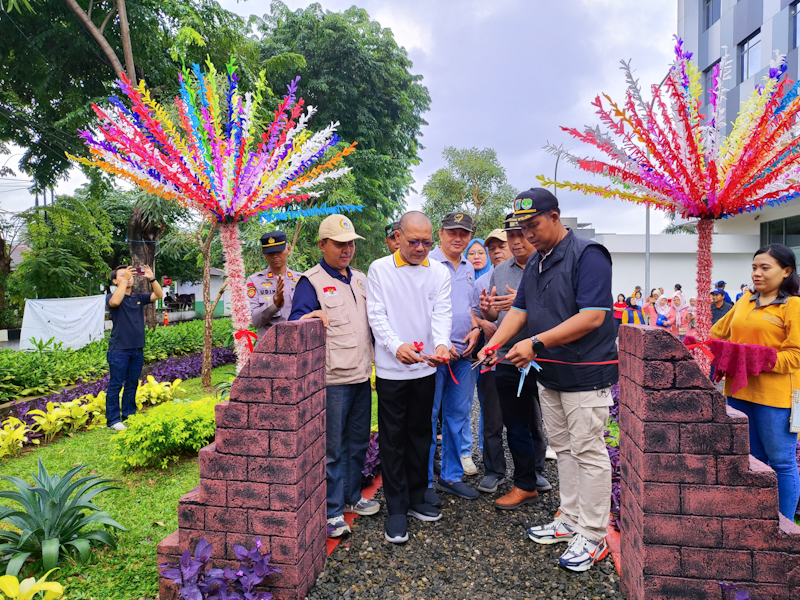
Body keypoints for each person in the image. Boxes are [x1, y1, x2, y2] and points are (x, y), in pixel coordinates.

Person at [478, 188, 616, 572]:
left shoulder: (588, 255)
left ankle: (593, 533)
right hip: (549, 372)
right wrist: (496, 345)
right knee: (565, 448)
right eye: (522, 227)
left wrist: (534, 343)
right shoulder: (537, 262)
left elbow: (592, 316)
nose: (528, 234)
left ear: (555, 216)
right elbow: (519, 311)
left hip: (585, 372)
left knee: (589, 451)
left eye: (533, 224)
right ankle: (569, 519)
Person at [288, 214, 377, 539]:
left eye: (351, 243)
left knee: (357, 444)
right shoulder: (309, 282)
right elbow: (297, 321)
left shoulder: (361, 279)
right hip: (332, 381)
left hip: (361, 377)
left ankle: (352, 498)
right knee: (333, 450)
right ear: (322, 245)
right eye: (340, 244)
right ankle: (331, 511)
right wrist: (308, 316)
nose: (347, 249)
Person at [367, 211, 452, 544]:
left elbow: (441, 312)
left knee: (421, 433)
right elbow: (377, 314)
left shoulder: (438, 272)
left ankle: (418, 495)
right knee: (392, 439)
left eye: (427, 242)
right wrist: (394, 345)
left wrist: (442, 344)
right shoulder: (380, 269)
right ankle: (397, 507)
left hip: (426, 368)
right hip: (391, 370)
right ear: (398, 237)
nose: (421, 248)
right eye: (414, 241)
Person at [711, 244, 800, 520]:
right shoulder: (745, 301)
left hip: (777, 398)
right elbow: (719, 331)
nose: (757, 274)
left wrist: (756, 359)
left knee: (782, 461)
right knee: (753, 461)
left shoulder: (793, 305)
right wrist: (729, 352)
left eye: (765, 268)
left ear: (786, 271)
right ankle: (759, 523)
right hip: (740, 392)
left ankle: (784, 527)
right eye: (754, 267)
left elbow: (795, 356)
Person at [480, 212, 552, 508]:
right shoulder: (501, 270)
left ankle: (542, 474)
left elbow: (561, 313)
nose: (517, 240)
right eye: (512, 236)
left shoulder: (549, 265)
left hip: (546, 356)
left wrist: (523, 304)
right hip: (509, 357)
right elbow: (496, 316)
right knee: (516, 423)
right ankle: (524, 484)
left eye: (521, 233)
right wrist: (488, 311)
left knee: (549, 422)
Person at [427, 213, 482, 500]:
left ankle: (450, 476)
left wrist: (475, 328)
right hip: (437, 356)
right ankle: (424, 483)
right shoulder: (429, 263)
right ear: (441, 233)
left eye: (464, 232)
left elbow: (469, 306)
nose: (458, 238)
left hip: (463, 354)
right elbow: (422, 309)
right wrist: (441, 343)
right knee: (429, 415)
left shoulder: (469, 267)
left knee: (457, 416)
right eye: (452, 232)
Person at [471, 228, 511, 493]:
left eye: (501, 246)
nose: (496, 251)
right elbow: (475, 316)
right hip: (492, 358)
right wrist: (486, 315)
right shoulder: (481, 283)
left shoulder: (531, 274)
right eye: (492, 247)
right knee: (492, 418)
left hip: (526, 357)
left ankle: (533, 471)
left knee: (529, 418)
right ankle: (494, 470)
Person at [105, 265, 164, 431]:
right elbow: (115, 301)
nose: (128, 277)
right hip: (119, 350)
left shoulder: (138, 297)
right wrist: (124, 280)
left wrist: (151, 278)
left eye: (130, 275)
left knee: (132, 384)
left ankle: (129, 416)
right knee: (116, 384)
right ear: (115, 280)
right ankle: (113, 421)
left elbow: (158, 295)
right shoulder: (112, 297)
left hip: (137, 349)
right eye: (123, 275)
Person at [246, 231, 297, 338]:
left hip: (296, 344)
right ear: (264, 254)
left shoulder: (301, 280)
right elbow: (254, 321)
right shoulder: (254, 281)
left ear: (288, 250)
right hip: (268, 348)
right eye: (270, 252)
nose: (275, 256)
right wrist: (274, 304)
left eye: (278, 251)